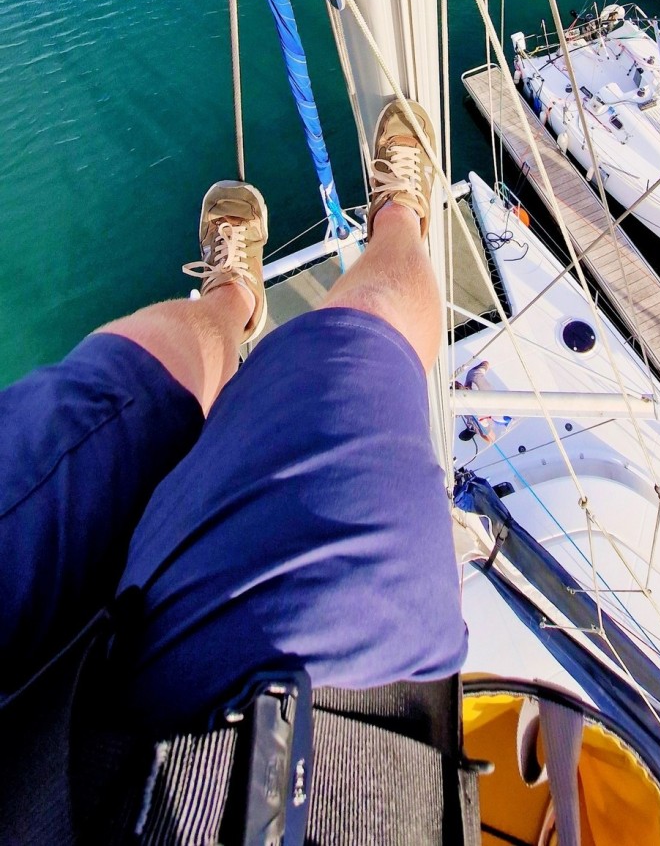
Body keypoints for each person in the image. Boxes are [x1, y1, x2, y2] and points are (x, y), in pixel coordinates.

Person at [0, 99, 471, 842]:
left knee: (108, 396)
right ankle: (401, 215)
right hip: (249, 773)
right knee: (360, 358)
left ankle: (233, 298)